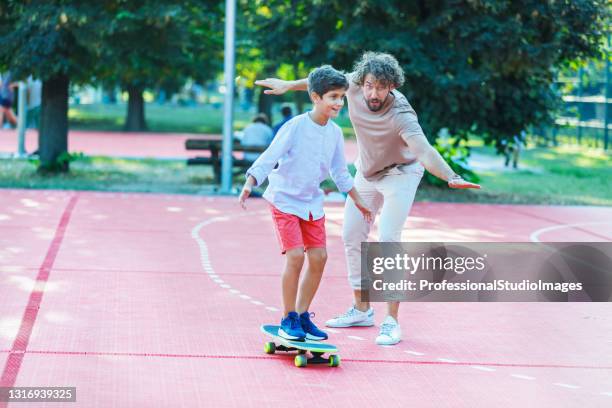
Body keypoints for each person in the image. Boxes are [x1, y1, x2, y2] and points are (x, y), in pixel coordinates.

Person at [256, 51, 480, 345]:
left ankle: (391, 321)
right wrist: (287, 84)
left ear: (393, 87)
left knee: (388, 238)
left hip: (401, 173)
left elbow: (424, 150)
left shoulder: (402, 113)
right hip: (367, 171)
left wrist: (450, 175)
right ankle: (362, 308)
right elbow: (322, 84)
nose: (373, 92)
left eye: (382, 87)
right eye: (370, 86)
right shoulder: (354, 84)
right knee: (351, 234)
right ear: (362, 82)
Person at [239, 65, 372, 341]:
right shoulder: (296, 126)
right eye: (333, 96)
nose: (338, 102)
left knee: (320, 257)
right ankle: (288, 317)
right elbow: (270, 154)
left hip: (312, 204)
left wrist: (359, 200)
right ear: (315, 97)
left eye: (341, 97)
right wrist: (251, 181)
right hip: (284, 199)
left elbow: (340, 172)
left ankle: (301, 315)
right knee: (296, 256)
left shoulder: (335, 133)